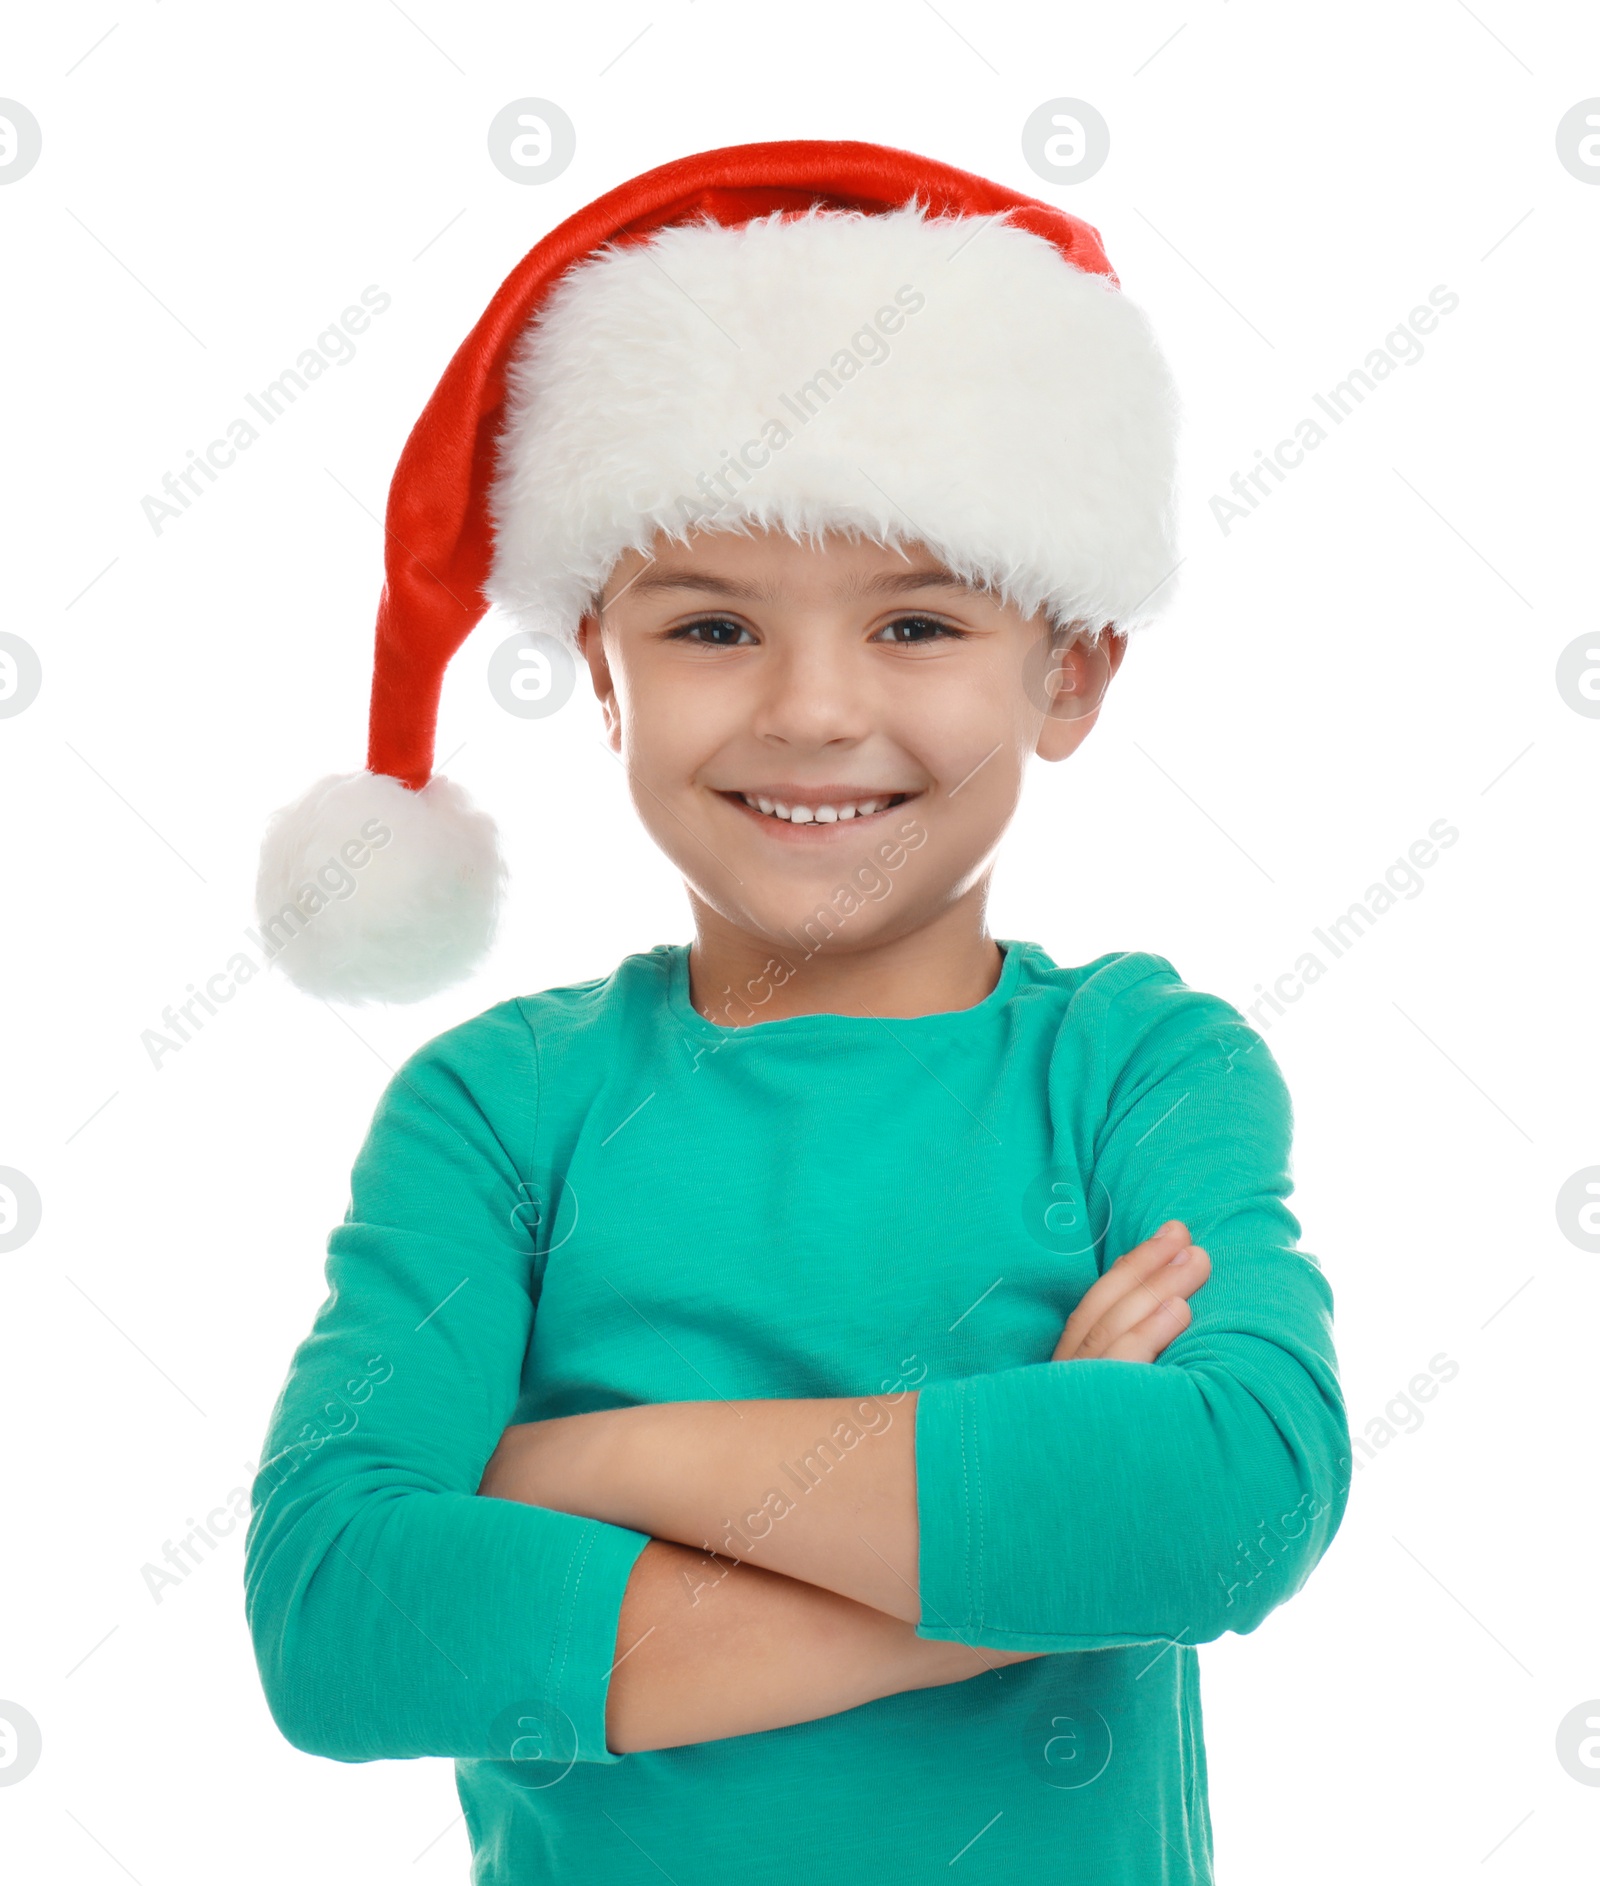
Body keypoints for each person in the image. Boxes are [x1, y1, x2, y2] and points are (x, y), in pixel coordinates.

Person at [243, 139, 1350, 1884]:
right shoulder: (498, 1109)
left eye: (916, 620)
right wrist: (996, 1577)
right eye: (710, 626)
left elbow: (1226, 1504)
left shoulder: (1141, 1065)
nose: (816, 709)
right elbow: (339, 1618)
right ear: (601, 667)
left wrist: (574, 1460)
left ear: (1068, 672)